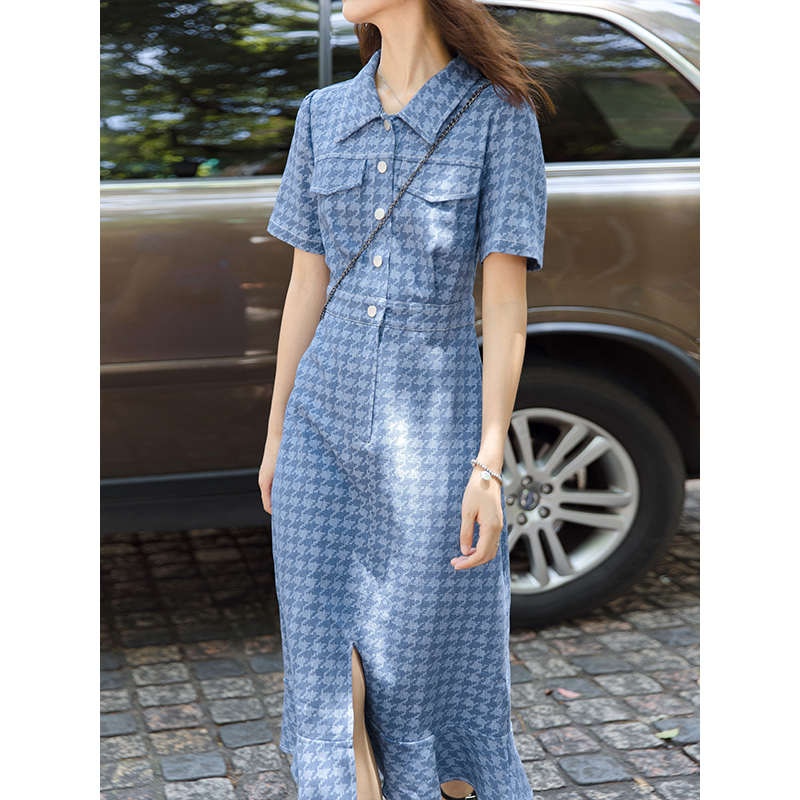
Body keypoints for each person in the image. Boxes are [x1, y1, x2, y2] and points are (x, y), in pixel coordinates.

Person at [259, 1, 552, 797]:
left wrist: (489, 463)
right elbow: (306, 284)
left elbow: (505, 305)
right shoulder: (323, 113)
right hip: (321, 418)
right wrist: (277, 431)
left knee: (416, 666)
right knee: (325, 661)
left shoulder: (499, 115)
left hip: (432, 429)